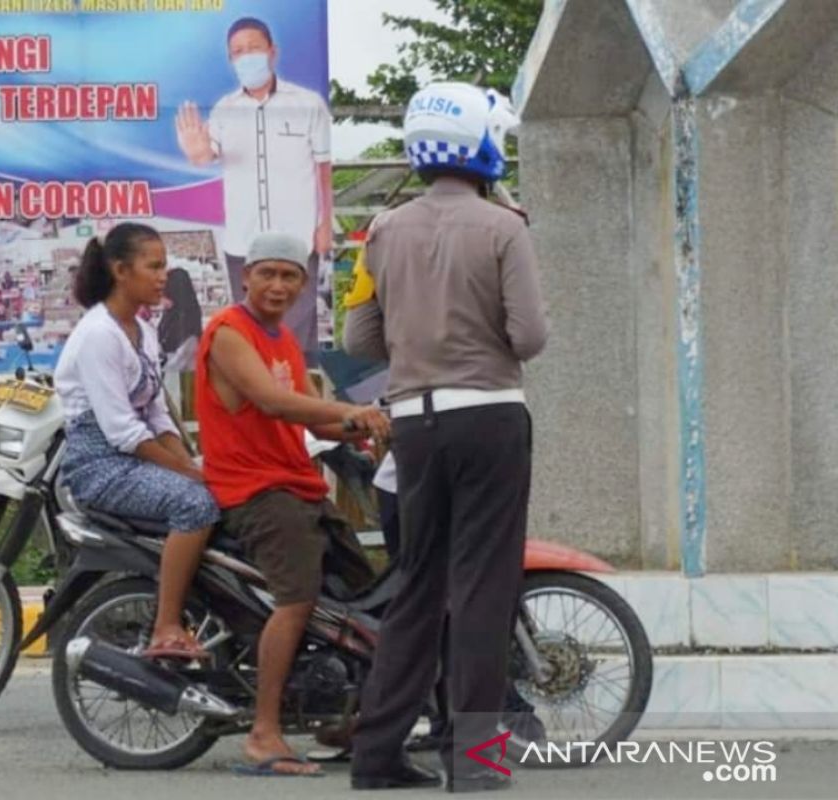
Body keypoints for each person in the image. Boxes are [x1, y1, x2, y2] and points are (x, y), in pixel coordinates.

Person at [345, 82, 549, 792]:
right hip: (490, 414)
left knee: (417, 587)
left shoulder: (383, 229)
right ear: (482, 143)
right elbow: (530, 336)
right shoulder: (505, 228)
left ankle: (376, 758)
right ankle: (475, 763)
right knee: (484, 590)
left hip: (414, 425)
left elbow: (358, 335)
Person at [194, 231, 389, 777]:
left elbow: (313, 413)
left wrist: (365, 427)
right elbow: (276, 402)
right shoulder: (230, 332)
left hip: (296, 482)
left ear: (304, 284)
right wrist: (352, 416)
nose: (278, 285)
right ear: (246, 277)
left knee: (361, 595)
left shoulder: (281, 339)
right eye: (268, 274)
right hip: (254, 490)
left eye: (289, 276)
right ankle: (263, 733)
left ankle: (353, 717)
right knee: (297, 599)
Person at [54, 223, 219, 660]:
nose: (163, 275)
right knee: (195, 504)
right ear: (121, 270)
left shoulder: (143, 332)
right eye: (155, 266)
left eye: (165, 265)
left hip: (137, 456)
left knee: (226, 491)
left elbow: (158, 414)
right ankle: (165, 626)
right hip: (100, 465)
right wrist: (188, 474)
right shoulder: (98, 335)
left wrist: (193, 465)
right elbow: (122, 431)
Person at [174, 16, 332, 354]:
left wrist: (326, 224)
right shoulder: (223, 110)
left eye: (254, 48)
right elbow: (206, 155)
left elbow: (323, 166)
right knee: (252, 334)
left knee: (296, 336)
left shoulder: (307, 104)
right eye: (238, 52)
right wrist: (197, 152)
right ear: (231, 60)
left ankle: (298, 402)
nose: (247, 57)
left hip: (298, 238)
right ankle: (259, 401)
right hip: (243, 244)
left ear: (272, 52)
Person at [158, 266, 203, 373]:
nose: (161, 299)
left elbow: (174, 366)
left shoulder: (187, 329)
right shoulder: (169, 319)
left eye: (164, 294)